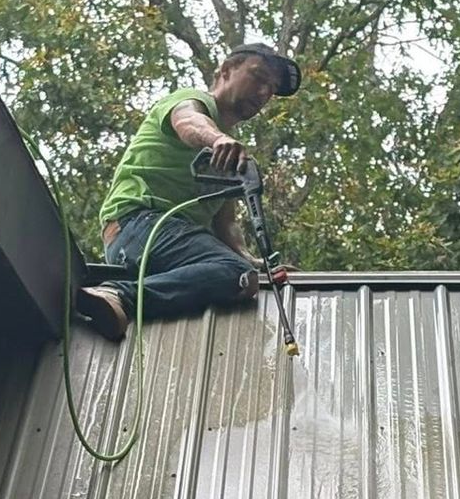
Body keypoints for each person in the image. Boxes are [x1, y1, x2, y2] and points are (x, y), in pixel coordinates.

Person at [74, 42, 301, 340]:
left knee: (241, 273)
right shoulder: (191, 102)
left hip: (163, 245)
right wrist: (216, 139)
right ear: (226, 70)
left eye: (271, 89)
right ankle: (118, 294)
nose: (263, 92)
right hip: (138, 225)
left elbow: (226, 225)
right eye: (258, 77)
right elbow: (188, 121)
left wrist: (255, 263)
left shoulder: (230, 155)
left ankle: (124, 297)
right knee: (235, 274)